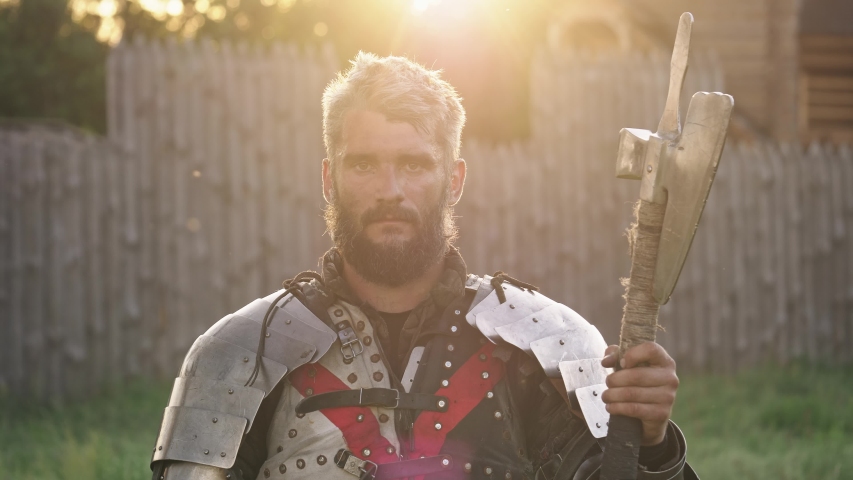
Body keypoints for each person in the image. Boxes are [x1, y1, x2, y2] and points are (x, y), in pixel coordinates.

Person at [150, 52, 695, 480]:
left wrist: (649, 443)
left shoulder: (545, 343)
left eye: (414, 164)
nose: (390, 191)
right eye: (364, 164)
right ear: (328, 179)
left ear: (454, 180)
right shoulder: (239, 354)